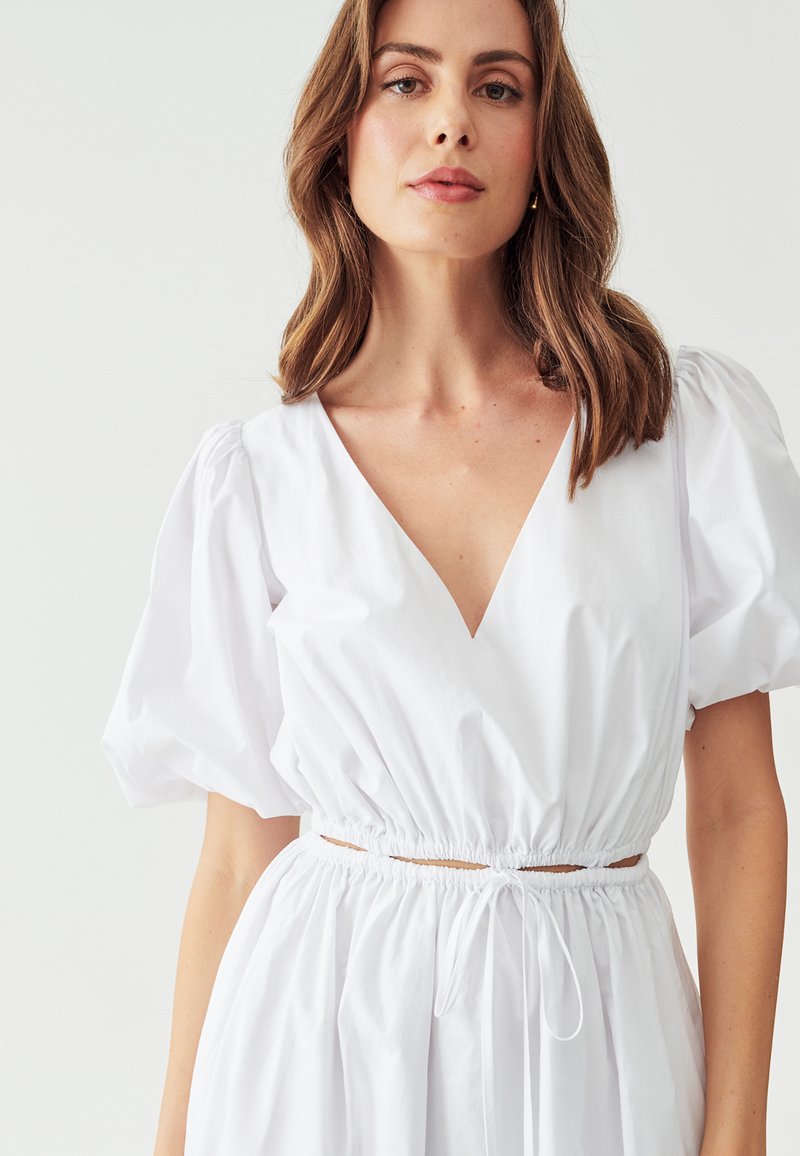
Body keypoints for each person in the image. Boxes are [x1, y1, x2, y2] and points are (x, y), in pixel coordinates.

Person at [100, 1, 800, 1153]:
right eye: (405, 82)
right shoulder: (261, 480)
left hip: (600, 1048)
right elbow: (234, 860)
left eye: (497, 86)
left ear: (542, 139)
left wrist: (738, 1134)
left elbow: (733, 809)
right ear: (340, 133)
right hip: (322, 1050)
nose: (450, 125)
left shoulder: (673, 434)